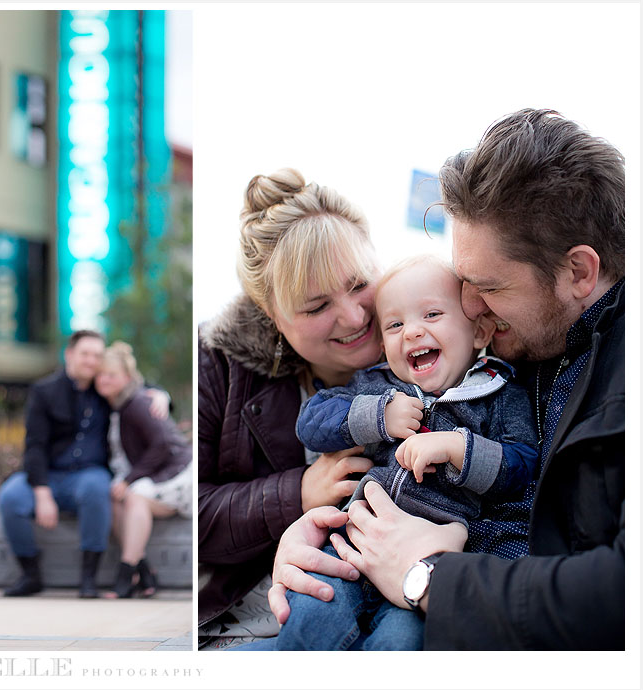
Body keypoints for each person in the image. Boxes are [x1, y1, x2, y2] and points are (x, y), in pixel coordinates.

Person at [268, 108, 625, 650]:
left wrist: (426, 572)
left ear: (579, 272)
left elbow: (615, 597)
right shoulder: (531, 342)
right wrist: (322, 528)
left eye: (489, 287)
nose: (470, 306)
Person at [251, 255, 537, 650]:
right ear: (383, 344)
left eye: (432, 314)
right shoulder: (377, 384)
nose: (412, 332)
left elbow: (522, 465)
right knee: (311, 623)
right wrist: (378, 415)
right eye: (395, 324)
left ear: (480, 331)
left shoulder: (499, 392)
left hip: (422, 564)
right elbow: (311, 421)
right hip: (350, 544)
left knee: (398, 644)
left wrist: (458, 448)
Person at [198, 168, 381, 649]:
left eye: (360, 283)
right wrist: (298, 493)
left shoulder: (435, 344)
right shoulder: (217, 364)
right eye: (317, 306)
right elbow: (191, 514)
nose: (355, 316)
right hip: (248, 620)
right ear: (272, 315)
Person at [0, 330, 168, 598]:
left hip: (89, 474)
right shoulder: (44, 391)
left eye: (97, 355)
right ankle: (31, 574)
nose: (91, 361)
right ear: (69, 355)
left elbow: (137, 387)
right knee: (10, 497)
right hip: (48, 474)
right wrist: (42, 493)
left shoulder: (105, 389)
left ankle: (88, 579)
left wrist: (160, 395)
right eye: (85, 354)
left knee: (98, 488)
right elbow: (35, 447)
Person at [94, 341, 193, 598]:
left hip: (178, 472)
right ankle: (144, 572)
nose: (103, 380)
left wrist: (129, 480)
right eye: (100, 374)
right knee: (115, 499)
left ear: (126, 377)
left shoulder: (138, 402)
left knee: (134, 497)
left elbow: (161, 444)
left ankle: (125, 575)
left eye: (111, 375)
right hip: (153, 474)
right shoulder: (117, 404)